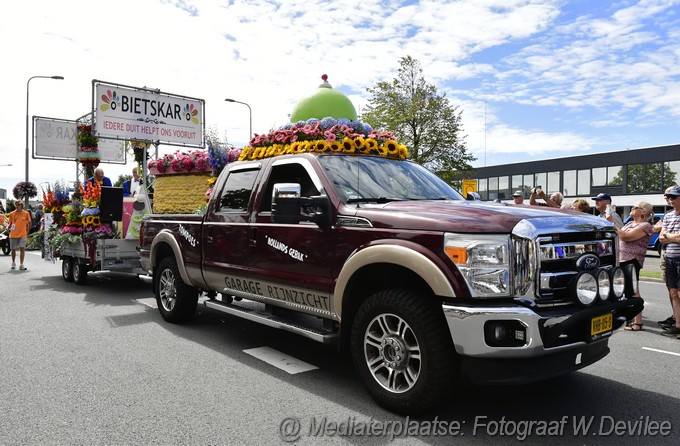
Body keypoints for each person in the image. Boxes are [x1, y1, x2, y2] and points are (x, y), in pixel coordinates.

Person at [615, 201, 654, 331]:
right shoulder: (631, 223)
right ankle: (629, 318)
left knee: (633, 289)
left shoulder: (646, 225)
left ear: (643, 212)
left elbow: (625, 237)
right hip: (622, 259)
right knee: (626, 290)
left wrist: (612, 222)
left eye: (635, 207)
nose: (632, 209)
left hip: (632, 260)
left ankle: (638, 322)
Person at [659, 185, 680, 339]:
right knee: (673, 293)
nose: (670, 200)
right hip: (671, 258)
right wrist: (673, 236)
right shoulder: (668, 215)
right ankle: (678, 326)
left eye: (674, 197)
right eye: (669, 197)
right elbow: (661, 238)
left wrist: (668, 236)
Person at [8, 201, 32, 270]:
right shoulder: (11, 213)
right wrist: (8, 227)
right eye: (16, 205)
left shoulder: (26, 213)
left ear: (21, 205)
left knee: (22, 249)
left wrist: (27, 231)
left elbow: (30, 223)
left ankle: (21, 264)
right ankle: (13, 263)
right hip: (13, 234)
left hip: (22, 234)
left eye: (18, 205)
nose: (16, 206)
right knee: (13, 250)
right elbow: (10, 223)